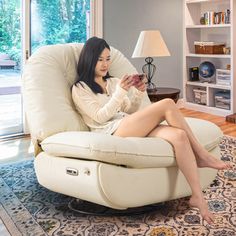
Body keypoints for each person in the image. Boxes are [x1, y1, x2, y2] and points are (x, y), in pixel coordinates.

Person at [72, 36, 230, 224]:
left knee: (178, 136)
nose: (105, 64)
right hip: (110, 131)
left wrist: (139, 92)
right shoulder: (79, 88)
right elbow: (100, 116)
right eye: (100, 59)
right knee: (167, 104)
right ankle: (202, 155)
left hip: (127, 123)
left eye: (108, 59)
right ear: (89, 59)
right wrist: (120, 92)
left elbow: (129, 109)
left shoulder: (113, 81)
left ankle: (198, 197)